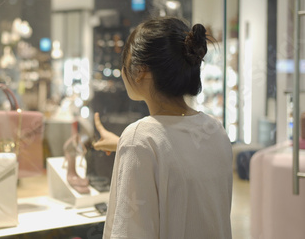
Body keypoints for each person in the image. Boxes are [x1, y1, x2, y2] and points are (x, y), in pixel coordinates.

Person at [93, 17, 232, 238]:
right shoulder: (216, 131)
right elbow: (179, 158)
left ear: (139, 71)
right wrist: (123, 145)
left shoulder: (140, 139)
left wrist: (129, 145)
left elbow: (131, 232)